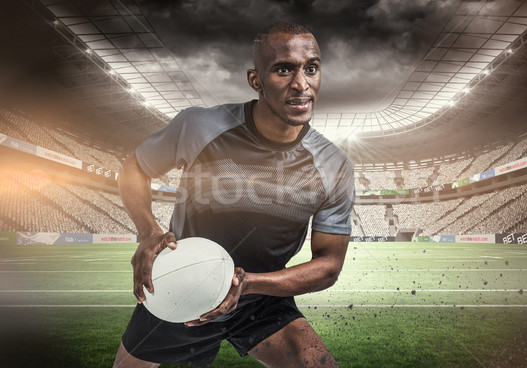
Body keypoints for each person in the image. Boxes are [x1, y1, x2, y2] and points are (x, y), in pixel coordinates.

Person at [113, 21, 355, 368]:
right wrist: (148, 229)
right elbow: (135, 167)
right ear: (255, 80)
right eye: (284, 70)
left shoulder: (334, 165)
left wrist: (249, 284)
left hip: (262, 294)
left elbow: (329, 265)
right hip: (183, 283)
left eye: (311, 69)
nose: (301, 84)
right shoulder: (199, 126)